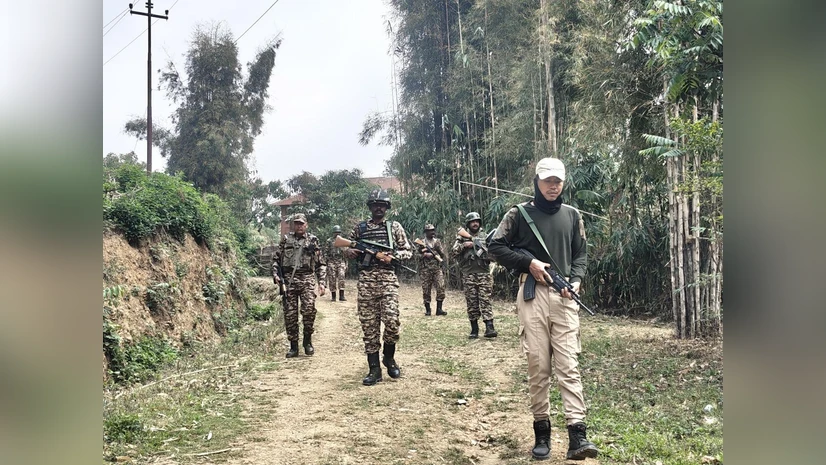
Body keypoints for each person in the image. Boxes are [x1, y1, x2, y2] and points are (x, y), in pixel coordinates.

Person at [487, 157, 598, 461]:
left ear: (563, 183)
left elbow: (581, 254)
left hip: (564, 297)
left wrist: (576, 280)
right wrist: (529, 263)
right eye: (547, 180)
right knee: (538, 366)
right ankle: (542, 433)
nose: (553, 186)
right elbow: (494, 246)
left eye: (558, 181)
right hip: (532, 294)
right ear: (536, 181)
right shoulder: (519, 214)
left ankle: (578, 435)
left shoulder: (573, 216)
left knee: (569, 366)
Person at [343, 189, 412, 386]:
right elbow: (346, 249)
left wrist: (393, 256)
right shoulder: (360, 228)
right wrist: (352, 252)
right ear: (370, 207)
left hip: (388, 280)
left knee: (392, 322)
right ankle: (374, 369)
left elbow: (407, 251)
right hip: (366, 281)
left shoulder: (394, 227)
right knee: (369, 326)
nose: (378, 208)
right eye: (375, 204)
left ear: (387, 207)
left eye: (382, 204)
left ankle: (389, 357)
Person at [272, 213, 327, 358]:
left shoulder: (313, 240)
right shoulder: (285, 240)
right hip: (289, 281)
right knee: (290, 315)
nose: (299, 226)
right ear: (293, 225)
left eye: (301, 223)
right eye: (296, 223)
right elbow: (276, 260)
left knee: (309, 311)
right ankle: (293, 346)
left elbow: (321, 263)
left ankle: (307, 341)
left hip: (307, 279)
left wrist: (322, 283)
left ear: (306, 225)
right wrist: (276, 275)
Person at [451, 212, 497, 339]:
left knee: (485, 300)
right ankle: (474, 329)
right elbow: (454, 252)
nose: (475, 223)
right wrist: (464, 245)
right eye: (472, 222)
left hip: (484, 274)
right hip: (469, 274)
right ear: (468, 224)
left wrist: (481, 246)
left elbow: (494, 253)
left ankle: (489, 327)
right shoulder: (461, 237)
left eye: (477, 221)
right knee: (472, 302)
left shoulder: (485, 236)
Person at [416, 223, 446, 316]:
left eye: (433, 230)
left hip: (437, 269)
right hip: (425, 269)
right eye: (430, 231)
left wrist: (434, 253)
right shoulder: (421, 242)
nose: (432, 232)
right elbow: (416, 255)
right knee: (426, 290)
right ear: (426, 232)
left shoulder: (437, 242)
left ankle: (439, 309)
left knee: (441, 287)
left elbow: (442, 254)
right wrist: (424, 254)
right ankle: (428, 310)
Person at [323, 225, 348, 302]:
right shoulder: (329, 241)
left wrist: (346, 263)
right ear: (333, 233)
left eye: (338, 232)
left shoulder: (343, 241)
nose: (337, 234)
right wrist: (326, 262)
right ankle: (333, 296)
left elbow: (346, 253)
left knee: (341, 277)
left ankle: (341, 296)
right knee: (332, 278)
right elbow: (326, 252)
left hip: (341, 261)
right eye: (335, 232)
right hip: (332, 261)